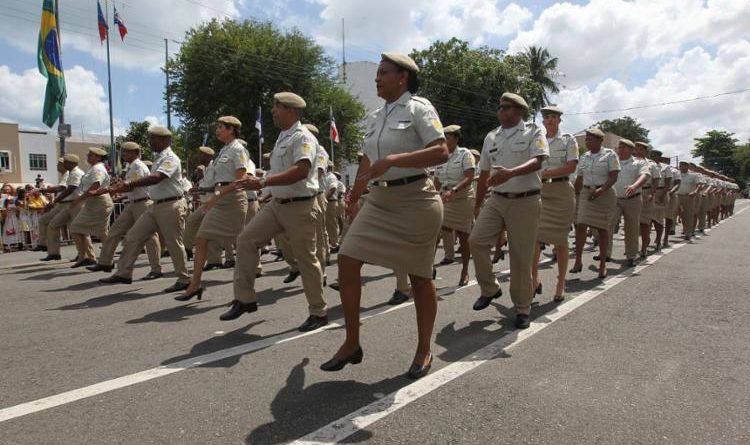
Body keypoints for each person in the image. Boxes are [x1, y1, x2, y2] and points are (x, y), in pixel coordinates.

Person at [320, 53, 448, 379]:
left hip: (416, 199)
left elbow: (441, 150)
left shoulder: (420, 108)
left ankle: (423, 349)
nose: (377, 78)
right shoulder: (376, 116)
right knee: (347, 258)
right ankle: (351, 342)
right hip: (379, 201)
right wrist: (353, 197)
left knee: (419, 277)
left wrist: (394, 159)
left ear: (402, 77)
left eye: (383, 73)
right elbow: (366, 162)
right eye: (377, 72)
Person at [219, 92, 328, 333]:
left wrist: (263, 182)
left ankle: (318, 312)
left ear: (290, 110)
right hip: (278, 204)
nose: (273, 111)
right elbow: (281, 173)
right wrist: (260, 179)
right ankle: (245, 299)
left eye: (276, 107)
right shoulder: (283, 137)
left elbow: (301, 170)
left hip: (301, 206)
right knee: (246, 240)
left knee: (307, 259)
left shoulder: (303, 137)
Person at [468, 92, 548, 330]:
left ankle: (523, 307)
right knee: (477, 241)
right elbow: (483, 173)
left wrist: (511, 173)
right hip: (497, 199)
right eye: (499, 107)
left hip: (525, 199)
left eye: (506, 107)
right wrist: (477, 205)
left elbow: (539, 160)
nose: (500, 111)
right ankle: (490, 288)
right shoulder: (491, 137)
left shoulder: (534, 131)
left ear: (519, 112)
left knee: (520, 256)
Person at [99, 126, 190, 292]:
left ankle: (184, 279)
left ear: (165, 140)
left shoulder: (170, 158)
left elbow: (158, 178)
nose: (151, 142)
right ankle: (123, 273)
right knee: (133, 236)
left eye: (154, 139)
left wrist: (129, 183)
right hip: (156, 205)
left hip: (171, 204)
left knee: (174, 243)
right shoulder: (159, 158)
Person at [176, 116, 250, 301]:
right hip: (219, 200)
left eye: (220, 127)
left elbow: (240, 181)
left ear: (231, 129)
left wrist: (216, 196)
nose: (217, 130)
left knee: (242, 244)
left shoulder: (238, 150)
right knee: (201, 239)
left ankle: (245, 289)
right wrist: (207, 191)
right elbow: (218, 181)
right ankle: (195, 285)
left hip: (233, 201)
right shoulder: (224, 150)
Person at [86, 142, 162, 279]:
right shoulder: (131, 166)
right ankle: (105, 262)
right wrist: (114, 189)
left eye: (127, 152)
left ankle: (156, 269)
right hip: (133, 203)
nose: (124, 155)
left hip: (142, 203)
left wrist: (109, 189)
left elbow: (130, 187)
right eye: (123, 152)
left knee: (150, 237)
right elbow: (126, 187)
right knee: (115, 230)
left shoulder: (138, 166)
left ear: (135, 153)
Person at [532, 105, 578, 301]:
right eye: (546, 118)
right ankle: (534, 280)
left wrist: (546, 173)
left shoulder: (568, 140)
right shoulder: (536, 141)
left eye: (553, 117)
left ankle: (561, 282)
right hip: (540, 192)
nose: (549, 120)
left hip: (561, 193)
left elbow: (571, 166)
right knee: (534, 238)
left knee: (560, 241)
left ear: (559, 120)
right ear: (543, 122)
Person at [570, 128, 620, 279]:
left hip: (604, 195)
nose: (587, 141)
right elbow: (579, 177)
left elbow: (614, 176)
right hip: (586, 193)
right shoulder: (584, 157)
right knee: (580, 225)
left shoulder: (610, 155)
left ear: (600, 140)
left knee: (602, 229)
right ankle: (577, 261)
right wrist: (575, 194)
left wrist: (602, 189)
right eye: (586, 139)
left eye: (590, 139)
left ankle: (603, 264)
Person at [432, 124, 475, 286]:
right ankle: (429, 268)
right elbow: (436, 180)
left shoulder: (465, 154)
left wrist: (454, 190)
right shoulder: (440, 157)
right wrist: (433, 196)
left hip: (462, 199)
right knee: (434, 233)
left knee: (464, 236)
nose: (444, 141)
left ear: (456, 139)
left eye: (447, 138)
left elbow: (469, 177)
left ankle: (465, 270)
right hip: (444, 198)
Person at [607, 139, 650, 267]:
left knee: (631, 228)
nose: (620, 149)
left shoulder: (639, 162)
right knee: (608, 225)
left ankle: (631, 256)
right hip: (615, 199)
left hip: (633, 199)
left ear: (631, 150)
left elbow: (644, 176)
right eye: (619, 147)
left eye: (623, 147)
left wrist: (634, 186)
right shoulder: (614, 162)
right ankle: (606, 253)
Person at [40, 154, 86, 261]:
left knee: (78, 230)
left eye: (62, 163)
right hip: (67, 204)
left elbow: (67, 188)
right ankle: (53, 252)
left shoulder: (75, 173)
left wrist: (52, 198)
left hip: (73, 203)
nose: (59, 166)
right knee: (54, 224)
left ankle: (86, 255)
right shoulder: (70, 174)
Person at [676, 161, 700, 240]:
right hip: (677, 196)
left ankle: (688, 233)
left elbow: (698, 185)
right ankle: (684, 229)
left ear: (687, 166)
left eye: (683, 165)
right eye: (680, 165)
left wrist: (695, 192)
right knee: (679, 214)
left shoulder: (694, 175)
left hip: (688, 196)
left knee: (688, 215)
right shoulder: (676, 174)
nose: (681, 167)